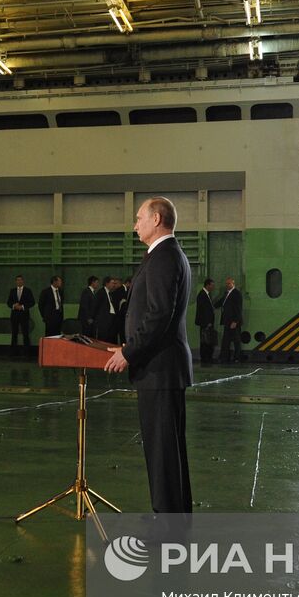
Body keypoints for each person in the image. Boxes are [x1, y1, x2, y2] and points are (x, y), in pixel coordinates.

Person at [104, 197, 194, 514]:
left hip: (159, 368)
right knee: (167, 451)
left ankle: (168, 527)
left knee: (162, 453)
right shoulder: (166, 255)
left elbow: (158, 315)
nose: (135, 224)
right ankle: (175, 521)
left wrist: (129, 352)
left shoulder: (164, 257)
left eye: (139, 217)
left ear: (156, 219)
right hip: (162, 368)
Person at [6, 274, 35, 356]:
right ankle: (13, 352)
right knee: (14, 333)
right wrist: (14, 306)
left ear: (23, 281)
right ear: (16, 281)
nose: (19, 281)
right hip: (14, 315)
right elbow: (8, 302)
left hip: (24, 314)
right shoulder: (12, 291)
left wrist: (22, 306)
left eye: (20, 280)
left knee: (25, 333)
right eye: (17, 280)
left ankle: (27, 352)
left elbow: (32, 302)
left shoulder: (28, 291)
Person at [217, 277, 243, 362]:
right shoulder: (226, 293)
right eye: (226, 284)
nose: (227, 285)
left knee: (236, 340)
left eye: (229, 283)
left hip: (234, 321)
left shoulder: (237, 294)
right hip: (227, 321)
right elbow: (222, 302)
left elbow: (239, 308)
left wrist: (235, 321)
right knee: (226, 340)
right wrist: (212, 305)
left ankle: (237, 358)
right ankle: (225, 357)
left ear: (233, 284)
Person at [195, 278, 217, 364]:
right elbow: (204, 311)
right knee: (205, 341)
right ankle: (205, 358)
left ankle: (207, 357)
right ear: (207, 285)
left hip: (207, 323)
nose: (213, 287)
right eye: (212, 285)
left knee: (207, 341)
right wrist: (207, 323)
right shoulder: (202, 295)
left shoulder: (205, 294)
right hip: (206, 323)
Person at [94, 277, 122, 343]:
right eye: (112, 283)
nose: (114, 285)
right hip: (104, 321)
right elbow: (96, 306)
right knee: (104, 339)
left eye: (115, 283)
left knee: (111, 338)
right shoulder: (101, 293)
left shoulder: (111, 293)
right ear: (107, 283)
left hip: (111, 319)